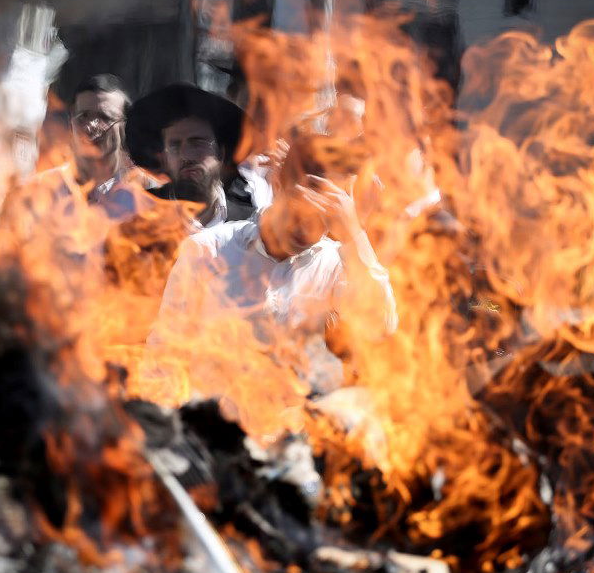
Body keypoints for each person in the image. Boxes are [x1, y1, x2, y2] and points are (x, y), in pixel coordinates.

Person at [140, 133, 398, 401]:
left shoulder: (333, 263)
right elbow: (165, 350)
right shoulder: (208, 250)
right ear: (278, 183)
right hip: (213, 424)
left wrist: (353, 235)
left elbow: (380, 325)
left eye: (326, 215)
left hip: (289, 428)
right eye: (303, 207)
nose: (308, 226)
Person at [125, 83, 271, 228]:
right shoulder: (139, 215)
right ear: (164, 158)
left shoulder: (249, 222)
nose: (186, 155)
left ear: (221, 153)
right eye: (174, 146)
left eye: (197, 143)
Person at [68, 74, 158, 208]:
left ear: (126, 126)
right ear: (71, 122)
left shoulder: (150, 192)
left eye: (105, 117)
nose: (91, 126)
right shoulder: (45, 189)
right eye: (83, 116)